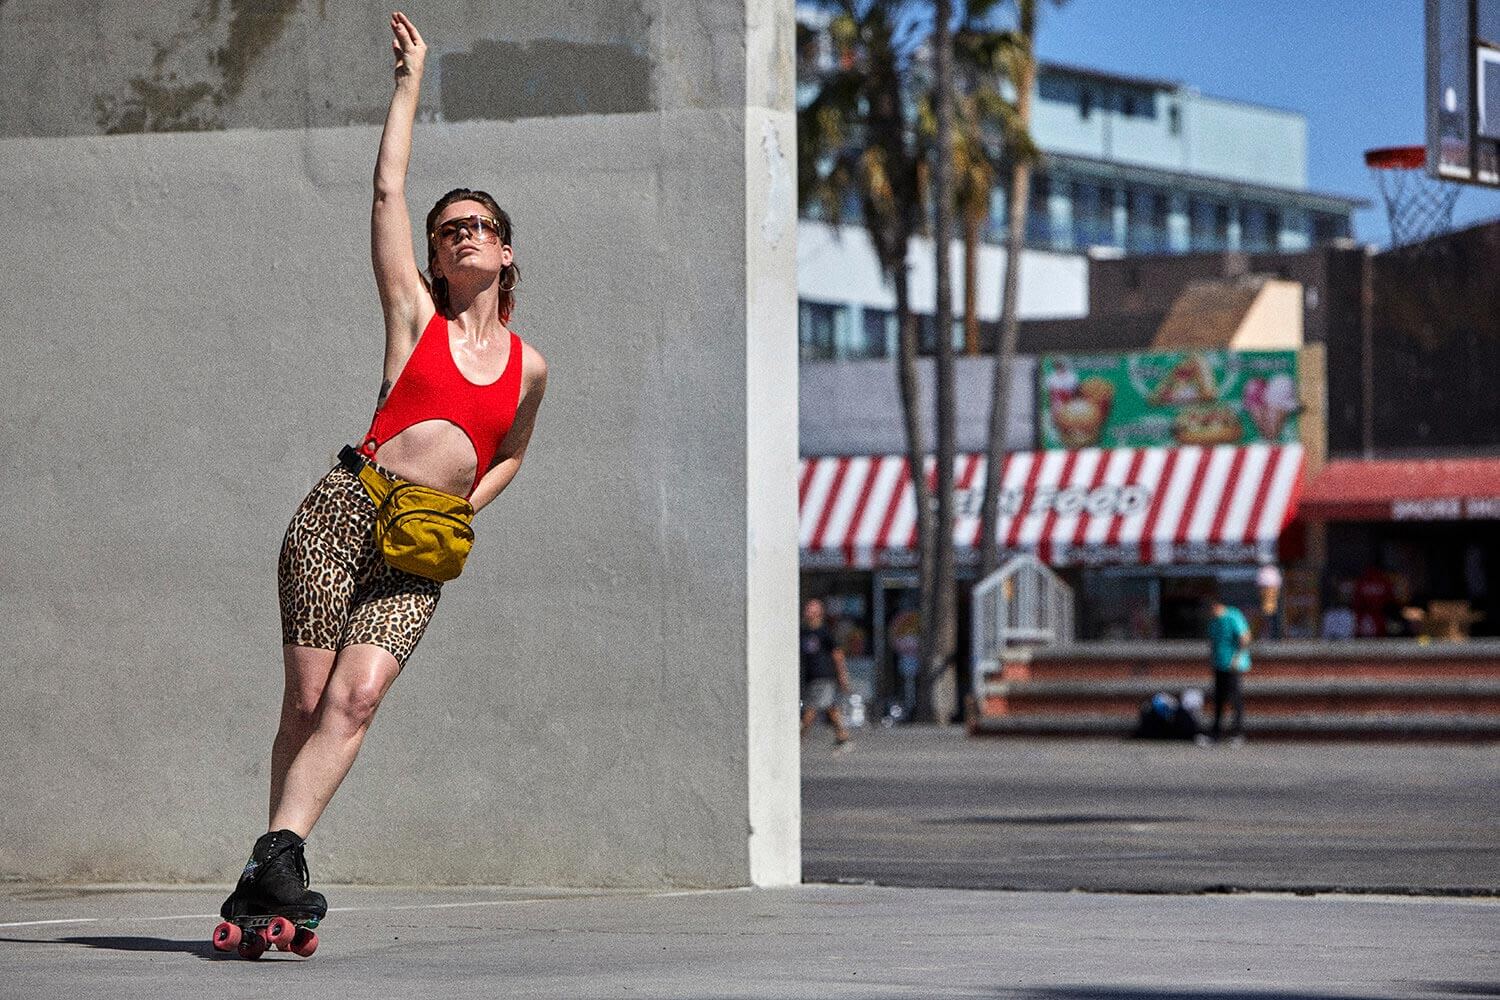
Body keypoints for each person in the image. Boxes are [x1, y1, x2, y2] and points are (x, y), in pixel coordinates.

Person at [219, 11, 548, 925]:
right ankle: (273, 863)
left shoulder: (531, 366)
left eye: (479, 225)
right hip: (342, 515)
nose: (462, 235)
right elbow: (386, 195)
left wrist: (466, 508)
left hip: (421, 548)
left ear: (506, 249)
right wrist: (409, 85)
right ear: (438, 259)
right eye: (450, 230)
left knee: (357, 701)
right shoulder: (416, 319)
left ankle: (271, 865)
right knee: (307, 698)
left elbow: (514, 452)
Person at [800, 599, 853, 747]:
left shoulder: (824, 632)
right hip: (811, 676)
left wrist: (842, 675)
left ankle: (798, 735)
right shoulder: (803, 632)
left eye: (811, 609)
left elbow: (837, 654)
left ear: (819, 613)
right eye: (807, 608)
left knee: (812, 707)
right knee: (830, 705)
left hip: (824, 675)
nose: (807, 611)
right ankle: (842, 734)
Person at [1205, 591, 1252, 745]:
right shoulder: (1214, 621)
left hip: (1233, 665)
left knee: (1234, 699)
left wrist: (1237, 659)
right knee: (1219, 698)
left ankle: (1238, 733)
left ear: (1217, 606)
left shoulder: (1233, 616)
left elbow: (1245, 638)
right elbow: (1212, 642)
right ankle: (1216, 733)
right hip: (1219, 663)